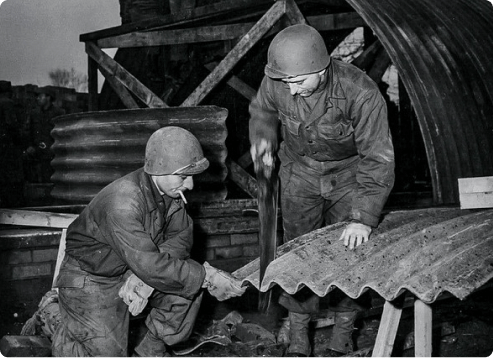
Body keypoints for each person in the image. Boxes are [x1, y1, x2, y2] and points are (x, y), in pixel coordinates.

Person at [249, 24, 395, 357]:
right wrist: (263, 143)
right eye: (286, 83)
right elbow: (262, 112)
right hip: (299, 170)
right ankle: (299, 336)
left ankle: (343, 335)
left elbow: (378, 156)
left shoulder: (360, 91)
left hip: (349, 174)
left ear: (321, 69)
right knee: (299, 251)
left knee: (350, 252)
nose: (293, 90)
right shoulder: (279, 79)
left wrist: (364, 216)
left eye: (298, 82)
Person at [51, 126, 246, 358]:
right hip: (91, 277)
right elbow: (150, 264)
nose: (190, 186)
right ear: (158, 170)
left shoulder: (171, 193)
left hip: (130, 267)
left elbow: (180, 239)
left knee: (186, 289)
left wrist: (143, 279)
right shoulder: (123, 202)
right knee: (107, 354)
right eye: (184, 177)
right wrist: (206, 276)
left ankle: (150, 351)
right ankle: (53, 319)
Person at [24, 87, 65, 183]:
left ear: (48, 97)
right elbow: (28, 131)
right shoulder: (34, 113)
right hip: (37, 152)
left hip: (52, 154)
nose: (38, 98)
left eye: (40, 96)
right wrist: (30, 146)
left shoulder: (58, 113)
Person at [0, 80, 24, 207]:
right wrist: (21, 143)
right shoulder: (7, 104)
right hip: (8, 149)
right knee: (12, 182)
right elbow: (12, 126)